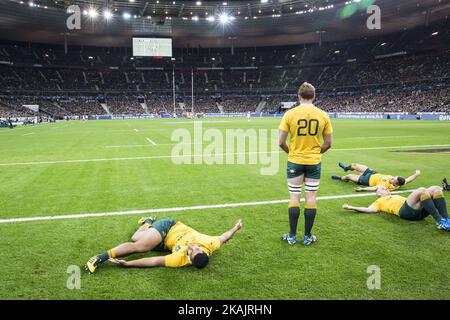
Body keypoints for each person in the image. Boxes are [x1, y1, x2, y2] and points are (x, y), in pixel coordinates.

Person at [278, 82, 333, 245]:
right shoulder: (323, 115)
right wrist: (317, 153)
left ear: (299, 96)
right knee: (311, 197)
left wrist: (292, 153)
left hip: (295, 161)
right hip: (314, 162)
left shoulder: (290, 114)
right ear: (314, 96)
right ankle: (307, 236)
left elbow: (280, 142)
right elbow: (328, 142)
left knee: (294, 197)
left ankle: (292, 236)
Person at [85, 216, 242, 273]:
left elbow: (154, 261)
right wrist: (236, 227)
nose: (193, 247)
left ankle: (147, 222)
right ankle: (99, 258)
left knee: (135, 238)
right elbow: (225, 237)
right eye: (197, 248)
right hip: (168, 227)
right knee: (141, 247)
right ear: (204, 250)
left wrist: (127, 264)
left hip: (166, 243)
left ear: (189, 259)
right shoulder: (211, 243)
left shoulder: (180, 260)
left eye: (191, 251)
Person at [342, 186, 450, 230]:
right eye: (381, 189)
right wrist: (351, 207)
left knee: (436, 189)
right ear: (378, 194)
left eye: (384, 188)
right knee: (422, 190)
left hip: (417, 211)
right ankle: (440, 221)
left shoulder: (393, 195)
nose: (383, 189)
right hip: (405, 212)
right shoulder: (378, 202)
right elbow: (369, 209)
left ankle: (446, 220)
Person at [332, 162, 420, 191]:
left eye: (393, 179)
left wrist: (363, 189)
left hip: (367, 180)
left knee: (349, 176)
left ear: (396, 184)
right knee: (354, 165)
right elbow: (408, 180)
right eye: (394, 177)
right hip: (372, 173)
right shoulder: (400, 182)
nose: (392, 178)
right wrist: (416, 174)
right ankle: (346, 168)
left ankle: (340, 178)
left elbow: (374, 188)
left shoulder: (386, 186)